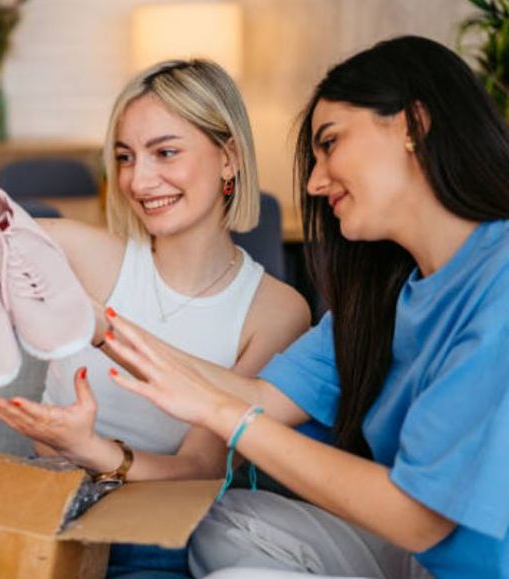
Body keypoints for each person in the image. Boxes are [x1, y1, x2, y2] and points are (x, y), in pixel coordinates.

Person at [0, 59, 310, 576]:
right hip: (43, 507)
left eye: (165, 152)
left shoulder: (276, 310)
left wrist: (91, 449)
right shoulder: (80, 254)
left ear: (228, 156)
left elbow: (200, 469)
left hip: (157, 533)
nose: (139, 180)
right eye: (125, 157)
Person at [102, 36, 509, 579]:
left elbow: (420, 521)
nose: (315, 183)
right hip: (424, 561)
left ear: (413, 126)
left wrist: (223, 414)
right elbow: (259, 400)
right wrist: (98, 327)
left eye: (331, 143)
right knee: (220, 521)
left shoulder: (499, 282)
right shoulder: (387, 293)